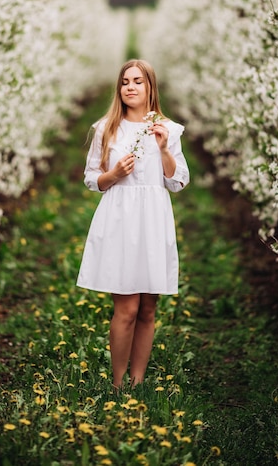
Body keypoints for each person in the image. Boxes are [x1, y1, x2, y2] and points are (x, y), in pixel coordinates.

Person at [76, 59, 190, 389]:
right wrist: (114, 175)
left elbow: (178, 182)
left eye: (138, 81)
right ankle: (117, 383)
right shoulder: (106, 129)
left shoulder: (168, 129)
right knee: (126, 307)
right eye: (125, 81)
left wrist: (164, 148)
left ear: (150, 87)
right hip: (120, 220)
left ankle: (138, 381)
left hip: (153, 220)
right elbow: (91, 179)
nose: (130, 87)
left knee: (148, 308)